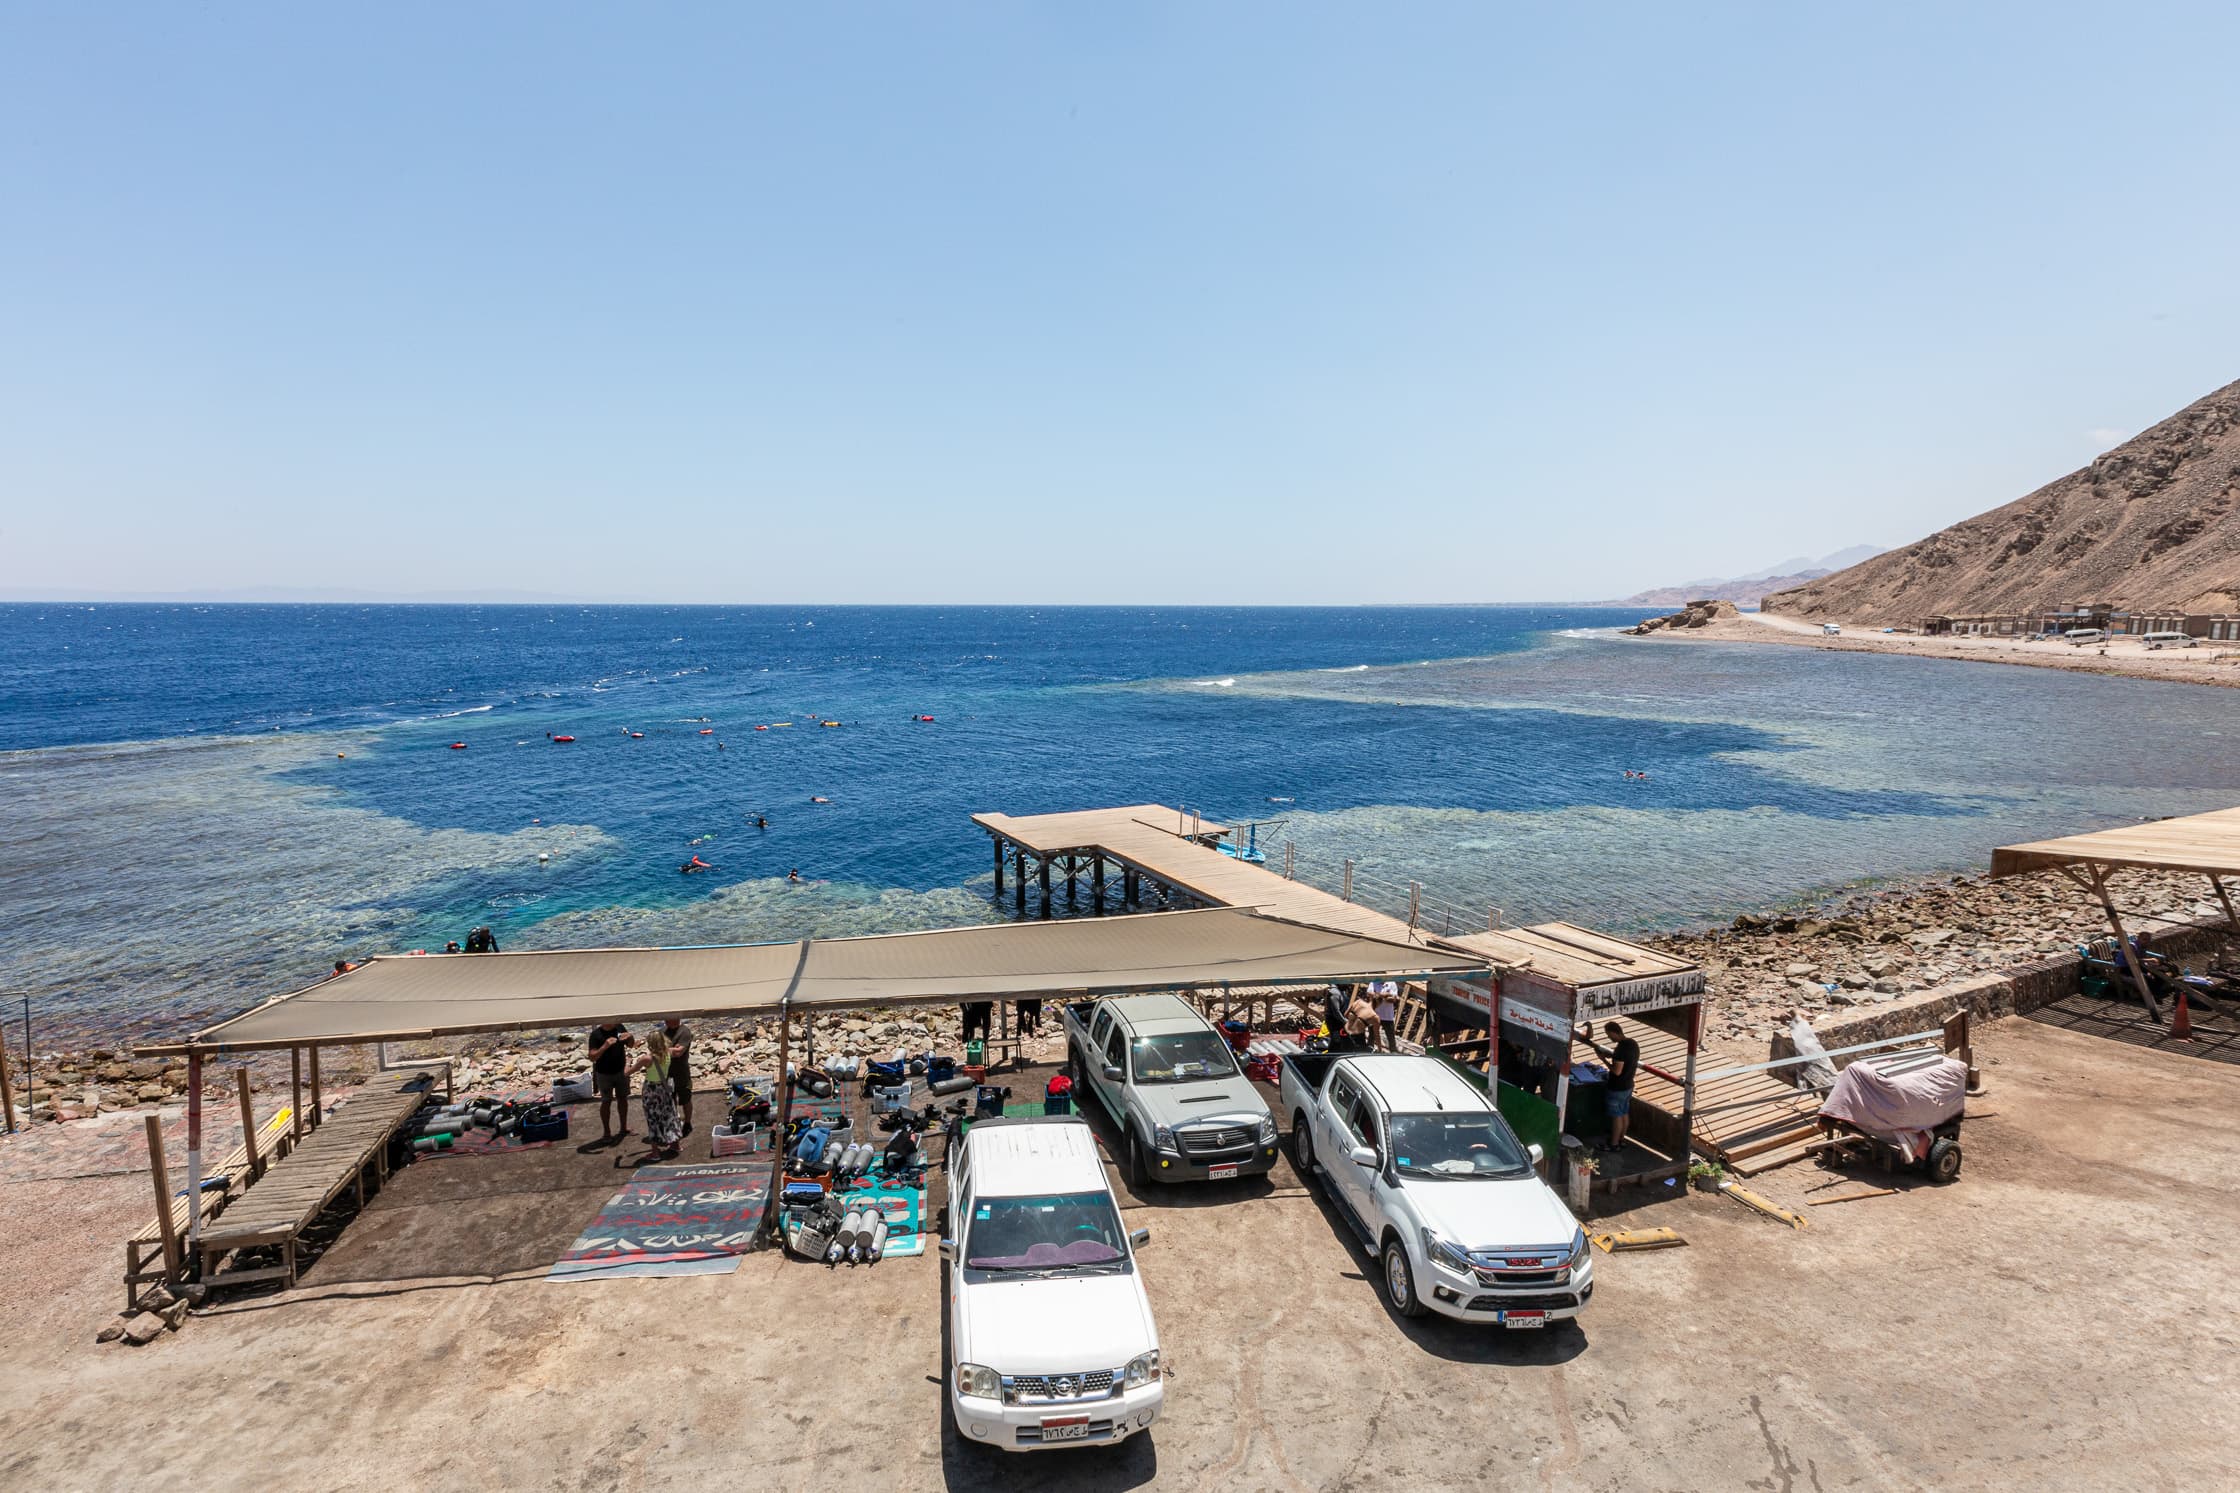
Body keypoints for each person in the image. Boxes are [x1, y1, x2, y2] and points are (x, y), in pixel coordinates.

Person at [1578, 1020, 1641, 1153]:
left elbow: (1616, 1071)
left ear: (1614, 1032)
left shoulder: (1620, 1050)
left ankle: (1613, 1144)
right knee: (1624, 1113)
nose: (1609, 1037)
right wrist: (1612, 1056)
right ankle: (1621, 1140)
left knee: (1616, 1116)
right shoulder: (1632, 1044)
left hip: (1617, 1087)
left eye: (1609, 1035)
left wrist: (1603, 1060)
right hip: (1629, 1085)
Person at [631, 1026, 683, 1159]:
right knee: (669, 1115)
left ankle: (655, 1152)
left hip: (652, 1090)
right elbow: (678, 1051)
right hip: (665, 1088)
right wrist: (678, 1047)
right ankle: (675, 1145)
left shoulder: (646, 1059)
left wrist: (626, 1064)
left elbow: (628, 1072)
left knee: (653, 1118)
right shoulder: (668, 1052)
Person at [588, 1020, 634, 1142]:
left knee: (623, 1099)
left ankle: (623, 1128)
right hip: (604, 1074)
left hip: (620, 1071)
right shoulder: (596, 1034)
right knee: (606, 1101)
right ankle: (607, 1133)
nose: (616, 1020)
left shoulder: (619, 1027)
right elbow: (592, 1057)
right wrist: (604, 1046)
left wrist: (630, 1037)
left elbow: (631, 1045)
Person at [664, 1015, 695, 1136]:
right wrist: (672, 1049)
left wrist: (664, 1049)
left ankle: (687, 1123)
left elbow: (679, 1052)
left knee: (685, 1098)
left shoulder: (684, 1031)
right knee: (670, 1100)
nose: (666, 1020)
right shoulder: (662, 1032)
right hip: (666, 1072)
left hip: (681, 1072)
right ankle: (673, 1123)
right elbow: (654, 1048)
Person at [1373, 981, 1399, 1052]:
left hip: (1388, 1016)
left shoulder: (1392, 983)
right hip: (1375, 1014)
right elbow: (1370, 994)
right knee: (1372, 1035)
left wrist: (1379, 996)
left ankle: (1393, 1052)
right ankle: (1370, 1049)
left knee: (1391, 1037)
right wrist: (1386, 995)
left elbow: (1393, 999)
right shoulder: (1374, 982)